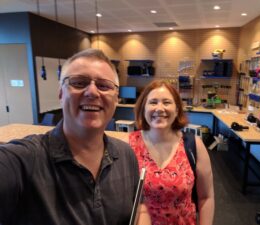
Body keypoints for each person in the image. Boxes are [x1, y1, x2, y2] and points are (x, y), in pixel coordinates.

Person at [0, 48, 150, 225]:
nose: (92, 92)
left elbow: (138, 208)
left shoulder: (126, 154)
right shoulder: (25, 160)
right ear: (61, 94)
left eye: (103, 85)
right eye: (79, 83)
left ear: (116, 98)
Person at [127, 80, 215, 225]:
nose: (159, 108)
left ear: (177, 109)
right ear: (143, 108)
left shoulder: (194, 145)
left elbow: (206, 197)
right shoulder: (128, 145)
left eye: (167, 102)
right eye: (153, 102)